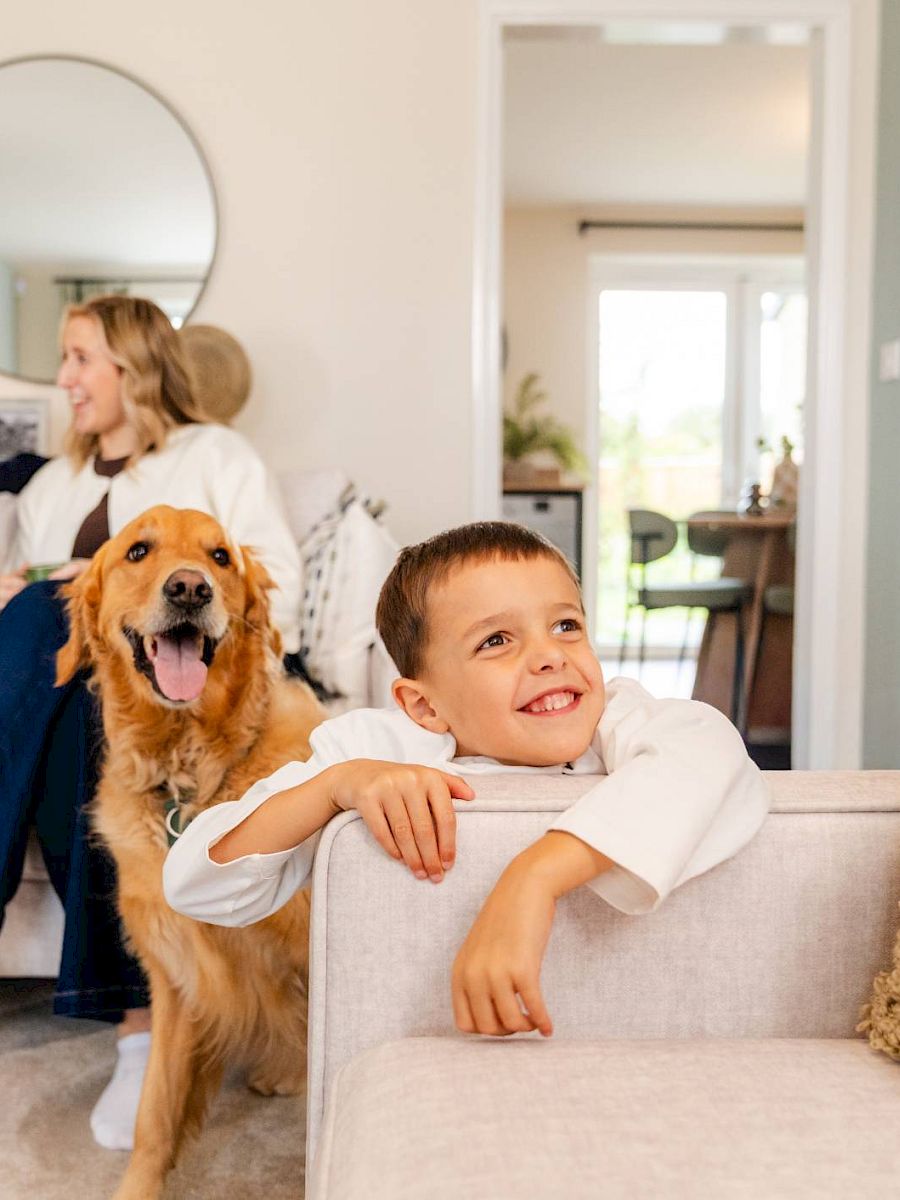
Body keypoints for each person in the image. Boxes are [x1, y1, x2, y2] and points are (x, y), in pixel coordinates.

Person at [164, 521, 768, 1037]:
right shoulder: (378, 748)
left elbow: (711, 745)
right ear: (424, 706)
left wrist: (534, 879)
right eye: (497, 640)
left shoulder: (621, 719)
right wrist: (334, 787)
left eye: (566, 626)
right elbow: (196, 882)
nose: (550, 655)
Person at [0, 295, 302, 1148]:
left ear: (134, 365)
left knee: (45, 623)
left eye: (81, 357)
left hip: (191, 685)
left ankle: (141, 1032)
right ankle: (136, 1025)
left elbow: (269, 580)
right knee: (39, 629)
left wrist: (64, 583)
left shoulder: (215, 456)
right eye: (65, 359)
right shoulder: (52, 486)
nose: (66, 379)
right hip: (78, 686)